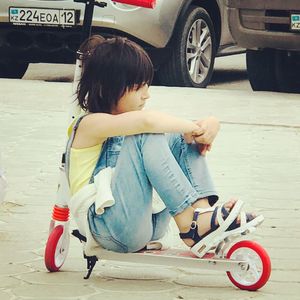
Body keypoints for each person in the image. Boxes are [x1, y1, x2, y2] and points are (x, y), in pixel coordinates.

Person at [66, 35, 263, 257]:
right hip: (109, 228)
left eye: (147, 86)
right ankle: (191, 225)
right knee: (148, 133)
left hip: (145, 223)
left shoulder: (130, 122)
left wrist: (207, 126)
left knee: (178, 137)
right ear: (106, 88)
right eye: (138, 87)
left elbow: (162, 127)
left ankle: (202, 216)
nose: (146, 95)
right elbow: (147, 122)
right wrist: (190, 127)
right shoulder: (88, 125)